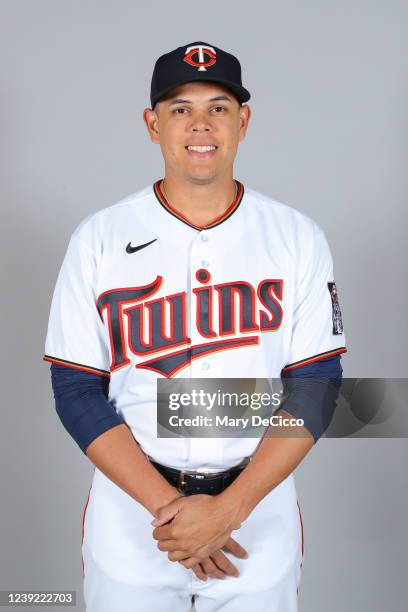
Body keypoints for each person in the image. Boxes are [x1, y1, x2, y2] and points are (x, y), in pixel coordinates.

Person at [43, 41, 347, 611]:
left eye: (219, 107)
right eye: (180, 108)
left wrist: (229, 511)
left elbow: (317, 384)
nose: (200, 124)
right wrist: (171, 512)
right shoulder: (100, 237)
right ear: (152, 123)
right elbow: (76, 391)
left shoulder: (296, 236)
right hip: (133, 512)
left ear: (243, 121)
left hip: (257, 507)